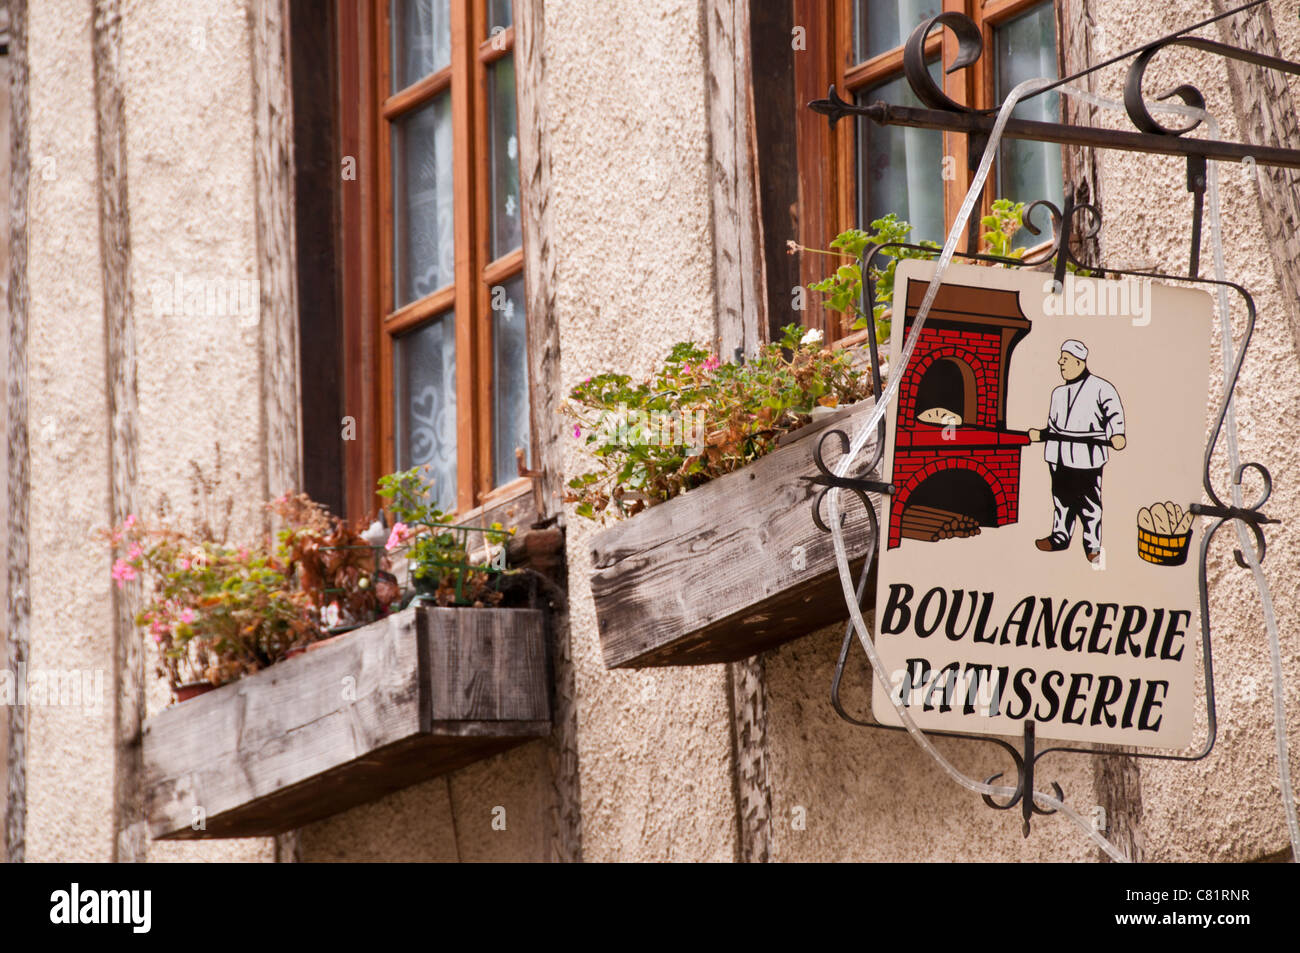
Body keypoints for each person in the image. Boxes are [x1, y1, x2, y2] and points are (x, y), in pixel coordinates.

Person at [1026, 340, 1126, 562]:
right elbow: (1053, 427)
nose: (1060, 362)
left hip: (1086, 456)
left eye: (1065, 359)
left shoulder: (1101, 387)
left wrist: (1117, 434)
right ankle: (1059, 537)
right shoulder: (1058, 393)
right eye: (1061, 358)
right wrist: (1040, 435)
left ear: (1079, 362)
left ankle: (1093, 547)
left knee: (1090, 504)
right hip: (1060, 455)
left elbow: (1114, 413)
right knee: (1061, 500)